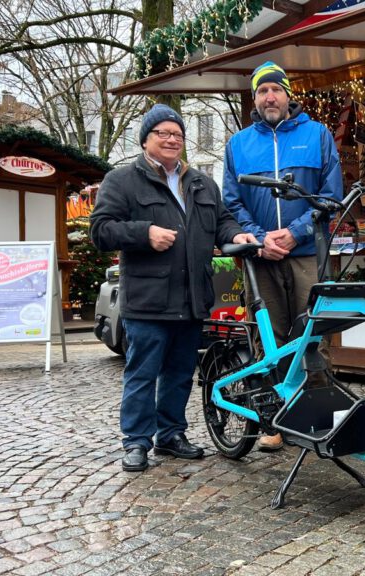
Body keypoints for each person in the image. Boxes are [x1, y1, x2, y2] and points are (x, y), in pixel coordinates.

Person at [91, 103, 257, 472]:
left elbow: (223, 222)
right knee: (142, 373)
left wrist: (237, 234)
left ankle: (171, 434)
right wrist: (143, 234)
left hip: (193, 297)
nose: (171, 139)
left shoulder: (201, 182)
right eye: (162, 133)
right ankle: (135, 441)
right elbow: (100, 230)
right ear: (146, 140)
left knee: (181, 373)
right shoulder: (122, 180)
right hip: (148, 300)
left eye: (177, 134)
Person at [223, 61, 343, 451]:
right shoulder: (238, 144)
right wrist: (260, 239)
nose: (269, 96)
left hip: (307, 253)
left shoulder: (317, 134)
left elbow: (330, 196)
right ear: (255, 99)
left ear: (289, 94)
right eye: (262, 91)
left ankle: (319, 419)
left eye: (276, 89)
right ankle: (275, 421)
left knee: (314, 335)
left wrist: (295, 233)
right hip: (260, 258)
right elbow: (231, 203)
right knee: (269, 339)